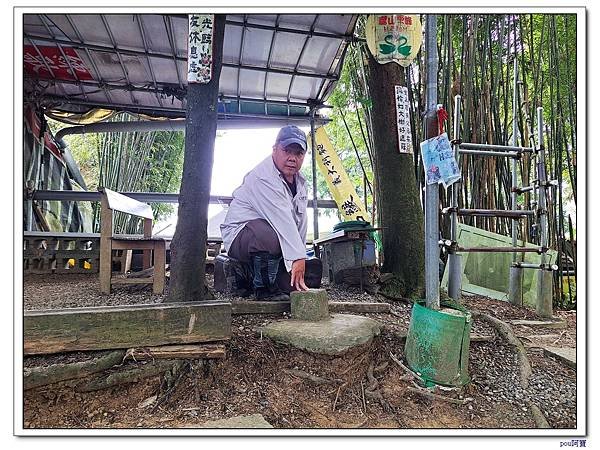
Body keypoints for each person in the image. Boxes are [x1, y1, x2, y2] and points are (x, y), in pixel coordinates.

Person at [220, 125, 312, 301]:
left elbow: (300, 222)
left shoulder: (301, 182)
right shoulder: (263, 177)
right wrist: (297, 257)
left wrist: (299, 261)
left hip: (276, 238)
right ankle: (263, 289)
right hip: (242, 236)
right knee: (268, 235)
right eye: (287, 151)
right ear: (274, 150)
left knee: (300, 283)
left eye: (299, 154)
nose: (293, 158)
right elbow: (283, 220)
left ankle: (247, 276)